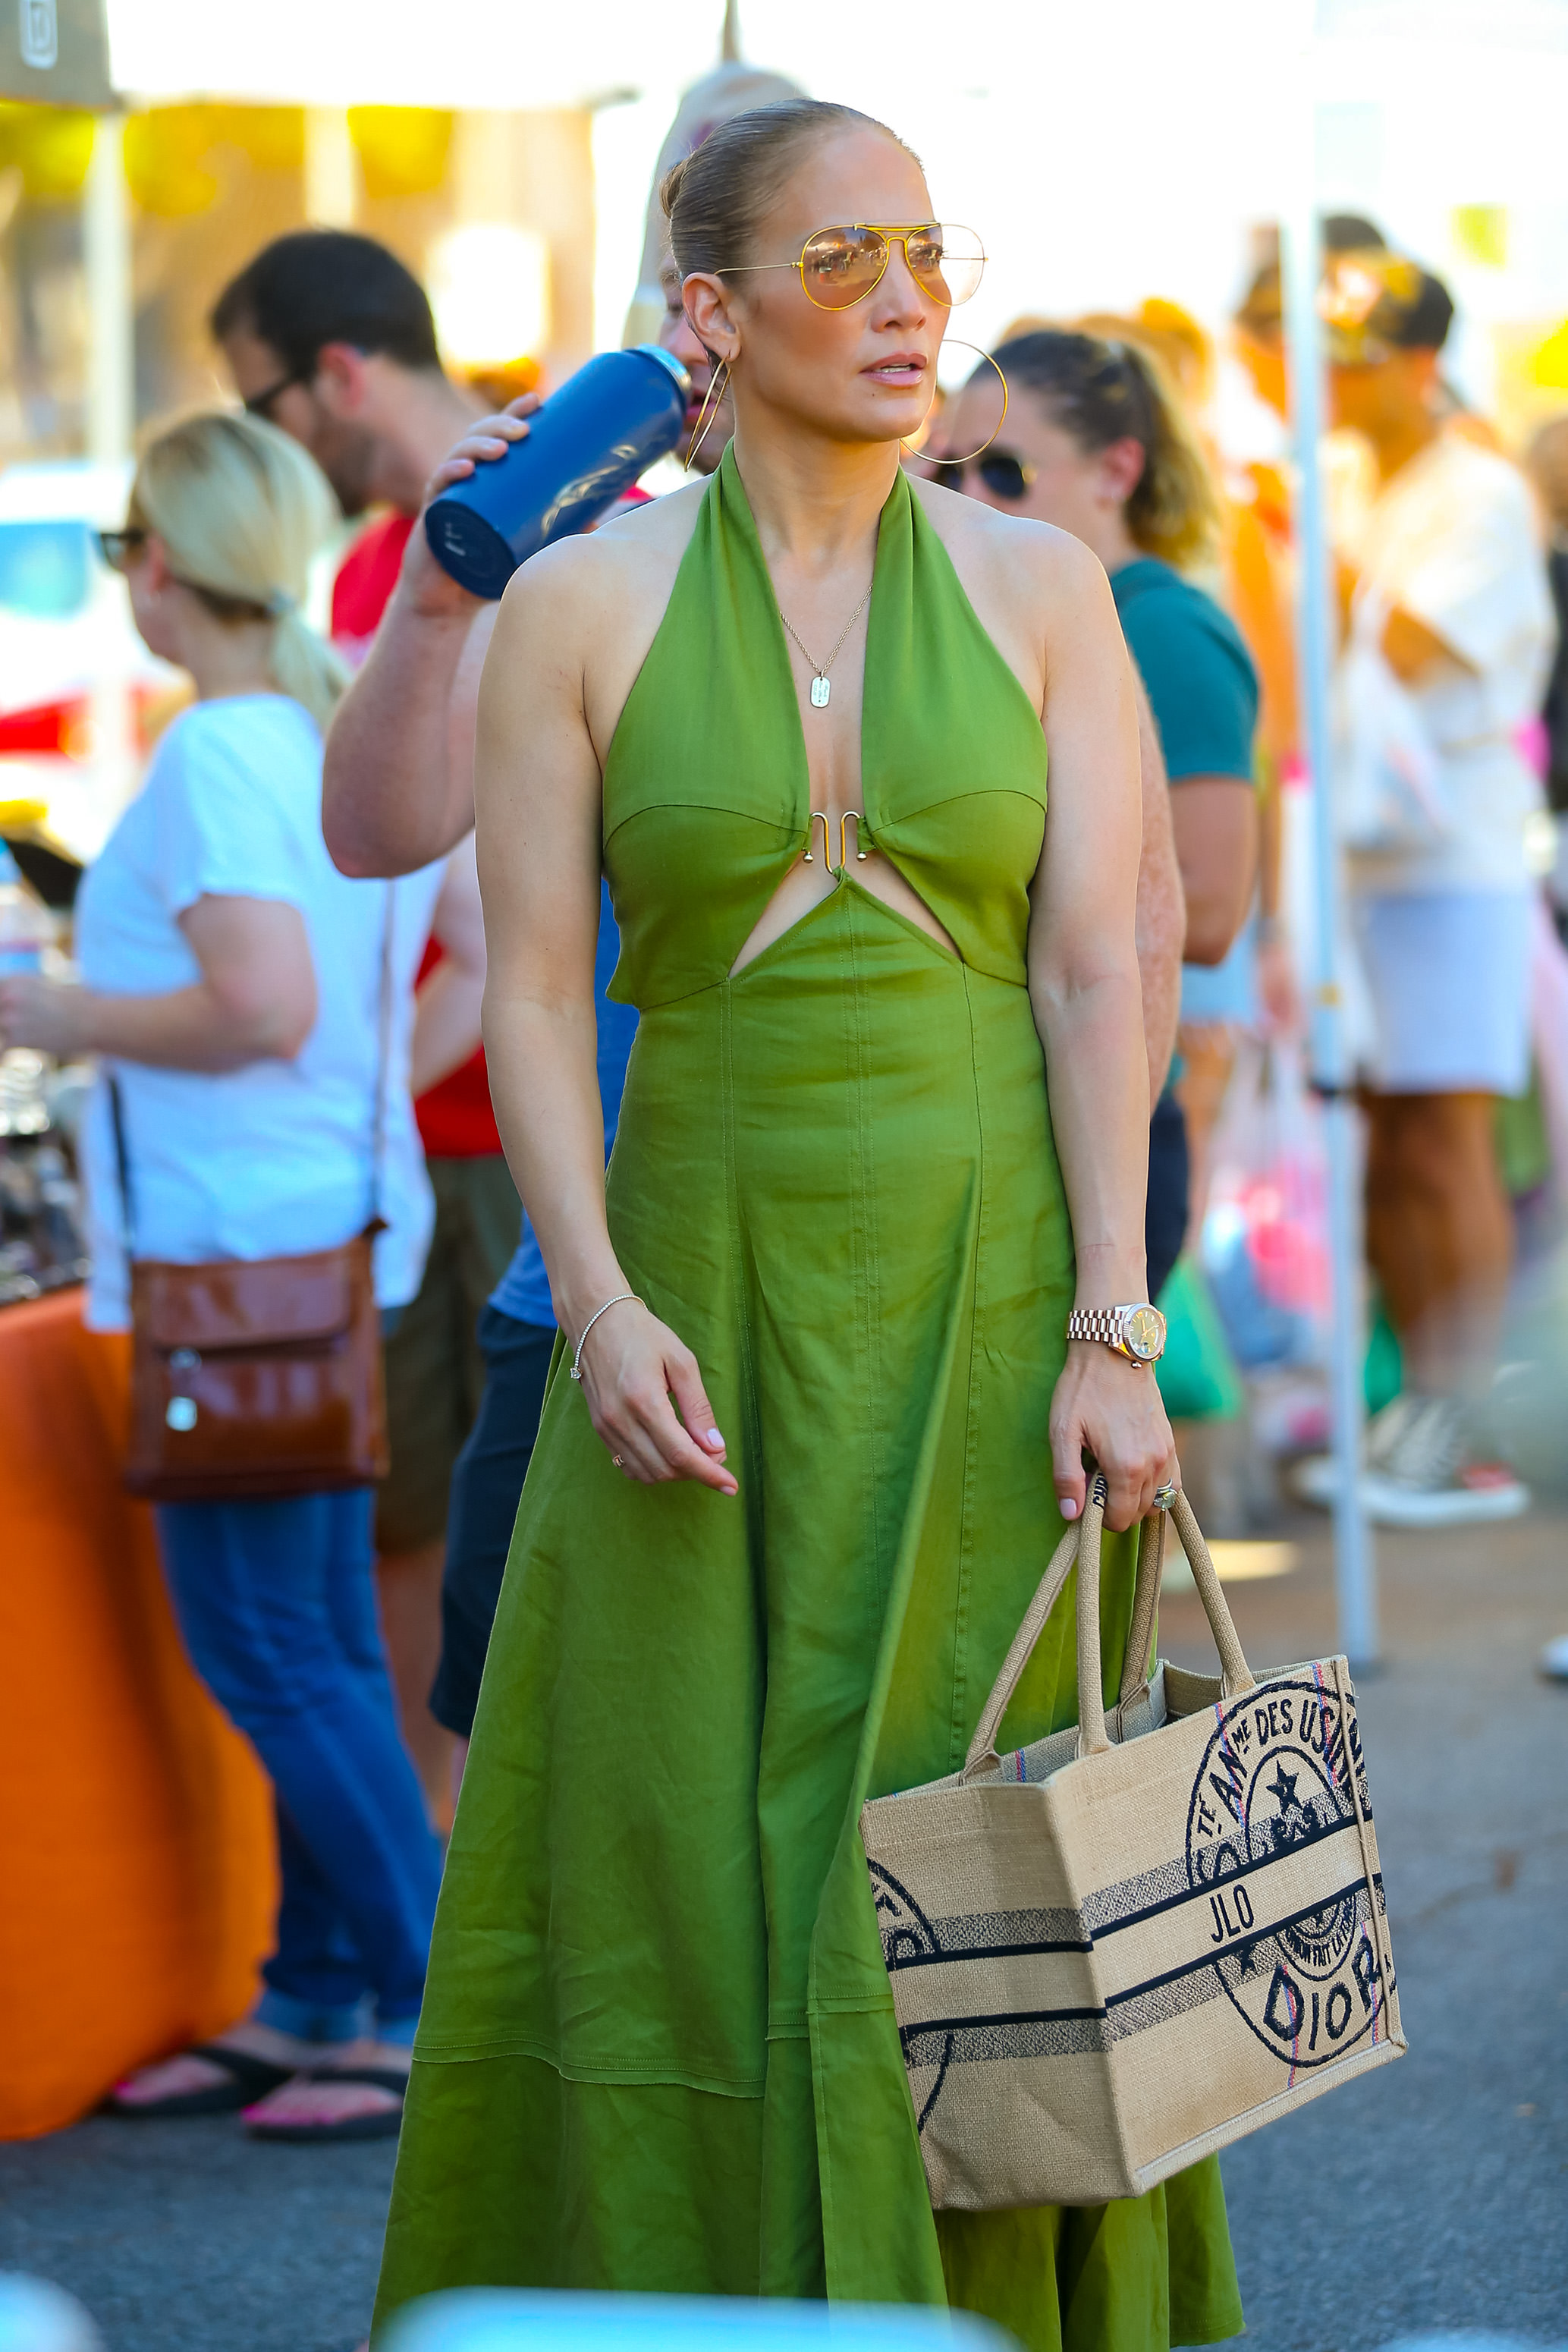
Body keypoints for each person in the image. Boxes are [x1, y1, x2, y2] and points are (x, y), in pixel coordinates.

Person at [370, 98, 1240, 2347]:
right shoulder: (575, 602)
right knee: (673, 1848)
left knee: (979, 1845)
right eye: (839, 255)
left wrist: (1112, 1324)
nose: (905, 300)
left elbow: (1104, 959)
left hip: (993, 1299)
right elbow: (536, 988)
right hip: (692, 1287)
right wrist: (597, 1293)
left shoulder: (1049, 588)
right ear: (706, 313)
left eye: (923, 252)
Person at [0, 412, 446, 2141]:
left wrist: (65, 1013)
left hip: (237, 1257)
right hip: (312, 1233)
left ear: (164, 566)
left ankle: (418, 2000)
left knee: (269, 1642)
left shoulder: (221, 758)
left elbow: (262, 1002)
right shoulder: (329, 736)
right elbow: (423, 975)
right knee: (317, 1632)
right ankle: (315, 1987)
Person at [212, 233, 520, 1810]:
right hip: (414, 1140)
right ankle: (441, 1892)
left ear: (335, 373)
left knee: (537, 1548)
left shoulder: (576, 499)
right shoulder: (362, 570)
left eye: (262, 398)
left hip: (522, 1133)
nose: (268, 441)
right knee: (415, 1547)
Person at [935, 329, 1259, 1297]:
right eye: (949, 471)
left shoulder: (1164, 627)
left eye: (1007, 470)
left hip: (1103, 1123)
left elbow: (1207, 909)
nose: (974, 500)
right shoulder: (1013, 612)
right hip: (1012, 1104)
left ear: (1118, 470)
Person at [1307, 250, 1554, 1523]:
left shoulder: (1479, 490)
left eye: (1354, 358)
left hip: (1452, 851)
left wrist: (1296, 559)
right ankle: (1414, 1408)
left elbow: (1398, 636)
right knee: (1388, 1130)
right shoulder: (1350, 472)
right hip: (1367, 846)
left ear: (1415, 363)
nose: (1332, 380)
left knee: (1447, 1129)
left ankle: (1465, 1425)